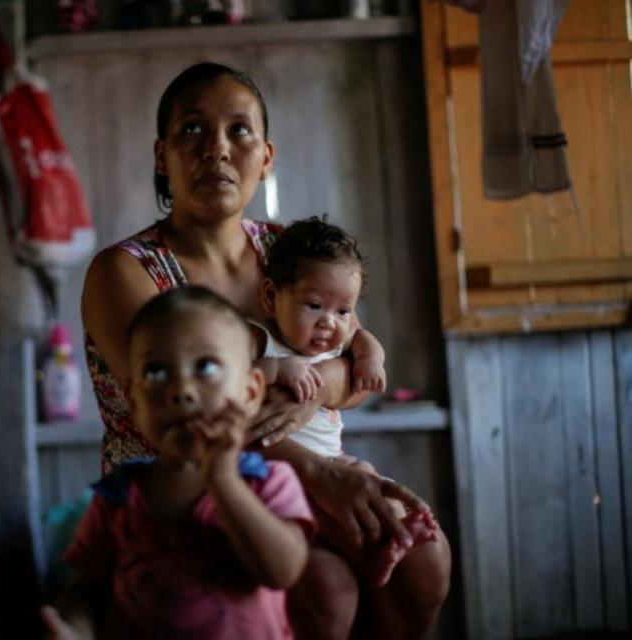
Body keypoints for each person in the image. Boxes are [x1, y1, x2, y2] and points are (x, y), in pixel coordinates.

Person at [80, 61, 451, 638]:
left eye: (239, 131)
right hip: (187, 489)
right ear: (161, 156)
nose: (217, 150)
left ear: (267, 156)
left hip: (299, 474)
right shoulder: (125, 272)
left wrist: (313, 396)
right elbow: (181, 411)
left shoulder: (285, 250)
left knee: (425, 564)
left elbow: (353, 367)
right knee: (327, 593)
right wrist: (319, 470)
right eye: (193, 130)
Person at [42, 286, 315, 639]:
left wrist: (223, 481)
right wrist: (74, 628)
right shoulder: (119, 494)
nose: (181, 389)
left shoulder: (267, 480)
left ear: (250, 392)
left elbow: (283, 571)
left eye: (206, 366)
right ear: (134, 401)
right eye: (156, 372)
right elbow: (87, 588)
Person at [255, 215, 440, 589]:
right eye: (314, 305)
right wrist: (277, 370)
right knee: (339, 513)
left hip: (332, 457)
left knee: (364, 472)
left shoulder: (338, 341)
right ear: (273, 296)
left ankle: (398, 534)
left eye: (342, 310)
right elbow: (236, 378)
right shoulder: (261, 340)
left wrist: (372, 360)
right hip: (280, 470)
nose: (329, 323)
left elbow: (362, 339)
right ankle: (377, 546)